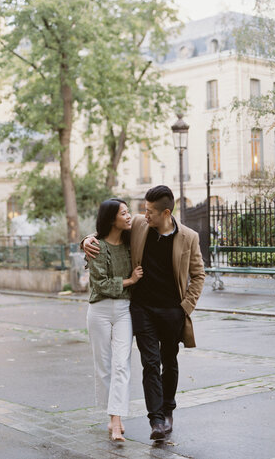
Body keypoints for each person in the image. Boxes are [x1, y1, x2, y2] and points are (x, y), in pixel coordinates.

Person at [84, 186, 205, 440]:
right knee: (150, 363)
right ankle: (156, 420)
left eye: (149, 211)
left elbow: (198, 275)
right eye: (143, 210)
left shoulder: (189, 237)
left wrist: (185, 307)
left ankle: (168, 409)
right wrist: (85, 240)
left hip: (173, 311)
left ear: (166, 213)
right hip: (142, 310)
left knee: (169, 362)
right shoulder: (140, 225)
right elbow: (107, 229)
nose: (143, 215)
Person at [86, 198, 143, 442]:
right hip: (99, 310)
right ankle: (112, 417)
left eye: (129, 211)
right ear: (112, 219)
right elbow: (100, 285)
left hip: (123, 309)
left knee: (122, 364)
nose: (129, 216)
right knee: (104, 366)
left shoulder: (132, 242)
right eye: (124, 212)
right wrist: (129, 281)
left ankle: (116, 421)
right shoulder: (96, 246)